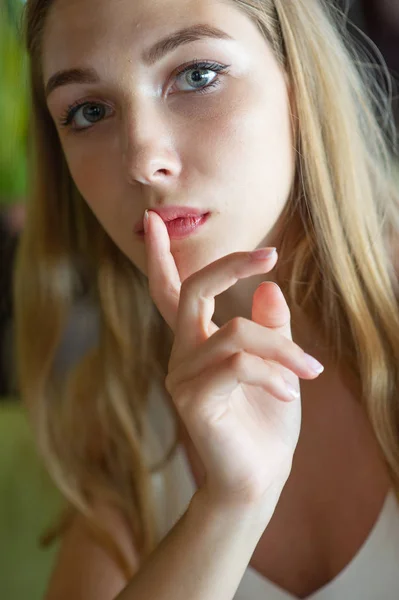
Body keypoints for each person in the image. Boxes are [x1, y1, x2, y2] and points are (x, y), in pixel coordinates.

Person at [13, 0, 399, 598]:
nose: (142, 161)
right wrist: (232, 502)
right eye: (89, 111)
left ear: (298, 80)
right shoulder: (117, 406)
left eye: (197, 75)